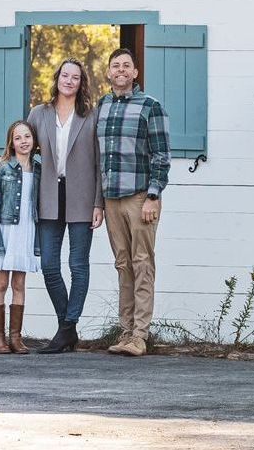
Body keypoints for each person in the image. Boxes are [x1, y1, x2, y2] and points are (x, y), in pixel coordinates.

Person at [96, 47, 170, 357]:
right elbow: (97, 158)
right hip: (112, 199)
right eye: (116, 66)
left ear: (135, 72)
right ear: (109, 72)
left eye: (127, 65)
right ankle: (125, 332)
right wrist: (98, 202)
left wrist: (153, 195)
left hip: (140, 197)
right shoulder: (102, 106)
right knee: (122, 264)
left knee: (142, 263)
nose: (121, 70)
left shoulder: (150, 106)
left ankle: (140, 335)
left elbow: (161, 154)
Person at [26, 59, 103, 354]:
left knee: (78, 265)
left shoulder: (91, 116)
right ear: (57, 78)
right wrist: (2, 185)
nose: (69, 81)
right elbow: (22, 150)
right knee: (49, 265)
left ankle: (66, 328)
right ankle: (67, 327)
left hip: (82, 197)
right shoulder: (38, 113)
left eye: (76, 77)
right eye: (65, 75)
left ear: (81, 83)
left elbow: (98, 164)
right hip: (48, 195)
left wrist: (99, 203)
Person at [0, 120, 41, 355]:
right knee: (2, 283)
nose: (23, 141)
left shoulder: (39, 169)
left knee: (19, 284)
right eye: (18, 138)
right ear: (11, 143)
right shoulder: (3, 168)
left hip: (27, 230)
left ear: (34, 140)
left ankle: (16, 337)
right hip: (6, 230)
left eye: (27, 136)